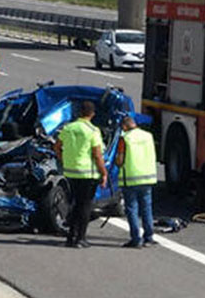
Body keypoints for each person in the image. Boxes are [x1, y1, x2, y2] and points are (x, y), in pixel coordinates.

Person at [54, 100, 107, 248]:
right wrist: (104, 173)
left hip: (71, 172)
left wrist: (63, 159)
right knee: (85, 206)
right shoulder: (93, 131)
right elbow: (97, 155)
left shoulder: (68, 128)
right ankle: (80, 238)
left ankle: (71, 236)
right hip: (87, 174)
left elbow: (57, 146)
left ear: (79, 113)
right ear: (92, 114)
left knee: (75, 203)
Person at [115, 116, 158, 248]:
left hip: (131, 179)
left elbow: (120, 160)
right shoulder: (148, 136)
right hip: (147, 178)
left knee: (132, 209)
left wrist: (116, 162)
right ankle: (149, 237)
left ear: (124, 126)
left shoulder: (125, 138)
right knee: (146, 208)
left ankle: (136, 239)